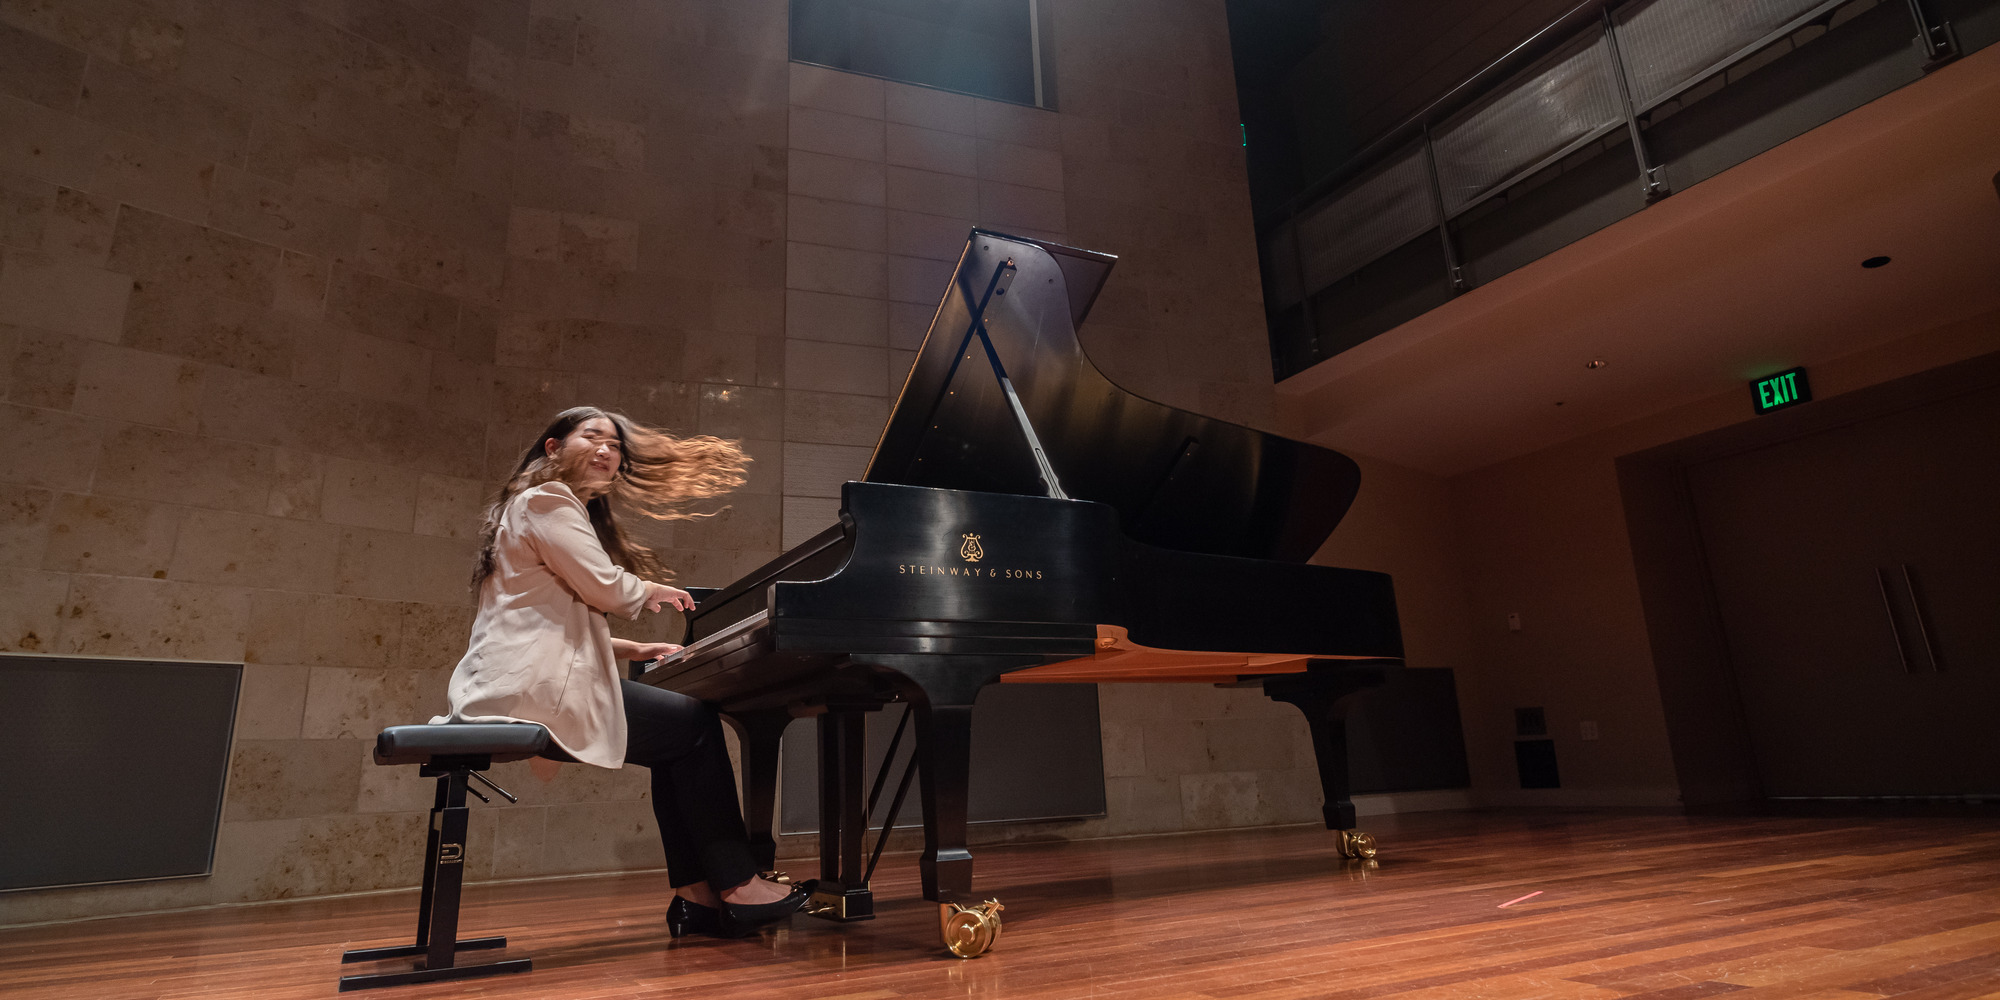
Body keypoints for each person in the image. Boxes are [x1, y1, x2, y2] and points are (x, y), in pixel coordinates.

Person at [434, 405, 805, 938]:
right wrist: (650, 589)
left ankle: (698, 899)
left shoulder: (526, 508)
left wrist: (632, 647)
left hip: (514, 679)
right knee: (695, 726)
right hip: (530, 689)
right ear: (553, 448)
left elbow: (543, 618)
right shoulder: (546, 499)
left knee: (677, 740)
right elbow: (603, 586)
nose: (607, 450)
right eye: (591, 437)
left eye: (614, 444)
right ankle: (738, 883)